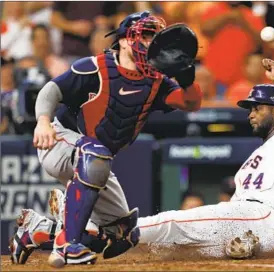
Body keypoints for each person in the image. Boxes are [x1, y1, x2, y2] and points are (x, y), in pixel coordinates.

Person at [10, 58, 274, 261]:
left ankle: (68, 224)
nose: (251, 113)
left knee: (167, 225)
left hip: (266, 219)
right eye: (250, 108)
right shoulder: (253, 159)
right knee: (155, 244)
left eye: (257, 107)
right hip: (243, 222)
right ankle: (44, 232)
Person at [9, 11, 202, 267]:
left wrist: (187, 77)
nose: (151, 41)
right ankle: (68, 245)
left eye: (154, 35)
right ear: (124, 40)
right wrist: (43, 122)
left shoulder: (157, 82)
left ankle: (37, 230)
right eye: (145, 34)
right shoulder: (95, 67)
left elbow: (190, 104)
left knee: (120, 234)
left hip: (95, 159)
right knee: (95, 155)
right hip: (60, 141)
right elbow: (51, 90)